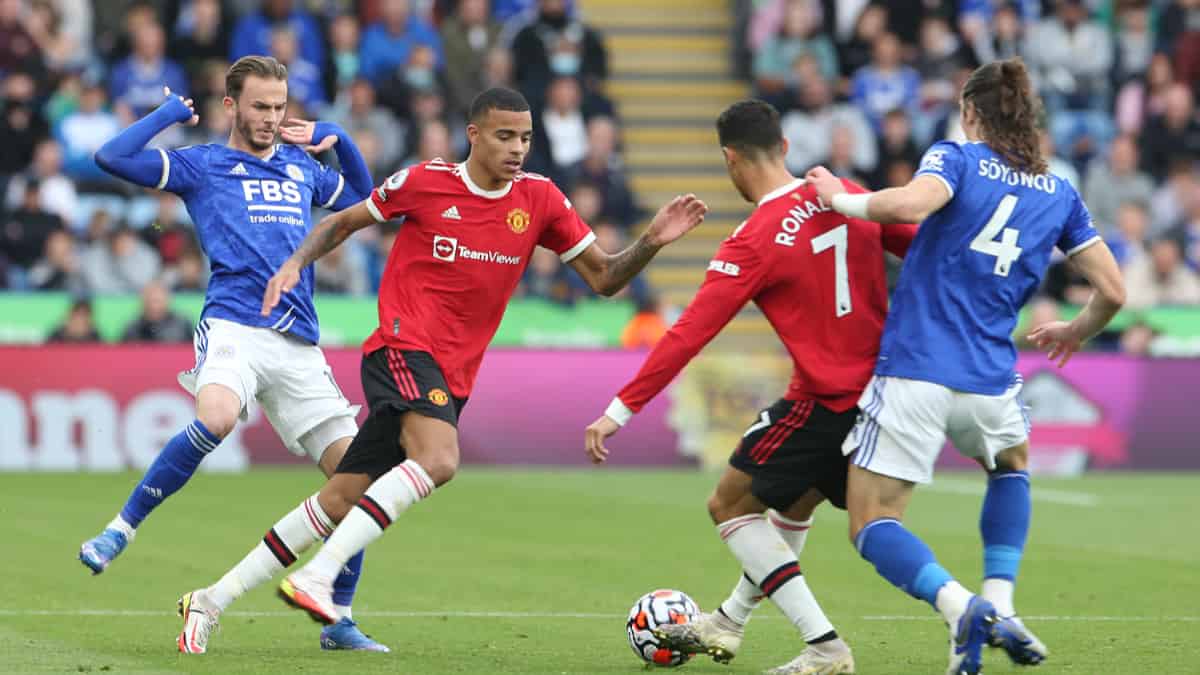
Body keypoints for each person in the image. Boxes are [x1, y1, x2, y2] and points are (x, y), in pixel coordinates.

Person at [170, 86, 707, 651]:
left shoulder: (541, 200)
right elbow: (344, 222)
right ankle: (316, 575)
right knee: (440, 459)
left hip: (453, 374)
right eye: (504, 136)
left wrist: (650, 240)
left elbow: (604, 279)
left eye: (525, 137)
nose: (517, 148)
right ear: (473, 135)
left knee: (342, 496)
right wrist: (294, 264)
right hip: (401, 347)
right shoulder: (425, 181)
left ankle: (210, 598)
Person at [805, 57, 1125, 675]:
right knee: (1010, 466)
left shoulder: (955, 157)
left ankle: (961, 606)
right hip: (991, 379)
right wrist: (1073, 332)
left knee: (872, 520)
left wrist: (838, 196)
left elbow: (909, 206)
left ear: (972, 111)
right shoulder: (1060, 191)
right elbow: (1112, 291)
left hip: (917, 371)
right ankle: (1001, 602)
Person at [585, 99, 915, 675]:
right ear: (785, 148)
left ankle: (825, 647)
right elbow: (921, 244)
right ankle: (731, 621)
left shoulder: (754, 236)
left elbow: (689, 332)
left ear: (730, 159)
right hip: (884, 393)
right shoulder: (845, 192)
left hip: (825, 396)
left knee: (731, 502)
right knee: (795, 503)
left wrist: (621, 408)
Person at [79, 55, 387, 653]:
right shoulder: (203, 166)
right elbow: (111, 157)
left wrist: (341, 140)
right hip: (234, 327)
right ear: (231, 107)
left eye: (279, 107)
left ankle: (339, 619)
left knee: (358, 482)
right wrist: (166, 114)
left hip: (298, 340)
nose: (272, 119)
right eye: (260, 107)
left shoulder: (303, 168)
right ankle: (119, 531)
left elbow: (366, 202)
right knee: (216, 418)